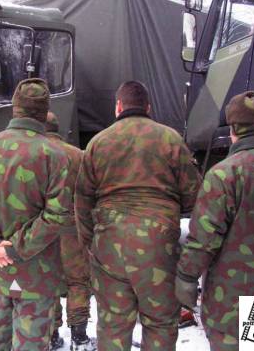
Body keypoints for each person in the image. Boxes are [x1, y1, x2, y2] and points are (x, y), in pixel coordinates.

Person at [75, 81, 201, 350]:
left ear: (118, 106)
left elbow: (82, 201)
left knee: (113, 324)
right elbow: (194, 196)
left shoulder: (98, 143)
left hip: (109, 245)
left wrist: (91, 243)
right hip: (158, 246)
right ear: (148, 108)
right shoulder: (170, 139)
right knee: (160, 323)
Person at [0, 78, 73, 351]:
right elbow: (56, 214)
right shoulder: (55, 154)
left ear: (15, 109)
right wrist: (13, 249)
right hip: (36, 272)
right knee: (30, 343)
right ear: (44, 112)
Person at [175, 91, 254, 350]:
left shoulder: (224, 174)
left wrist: (186, 276)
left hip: (230, 297)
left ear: (234, 128)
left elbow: (203, 239)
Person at [45, 112, 94, 351]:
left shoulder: (33, 155)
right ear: (58, 129)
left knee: (48, 280)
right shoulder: (78, 155)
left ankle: (51, 334)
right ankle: (80, 336)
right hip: (73, 227)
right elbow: (90, 192)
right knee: (78, 281)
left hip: (42, 229)